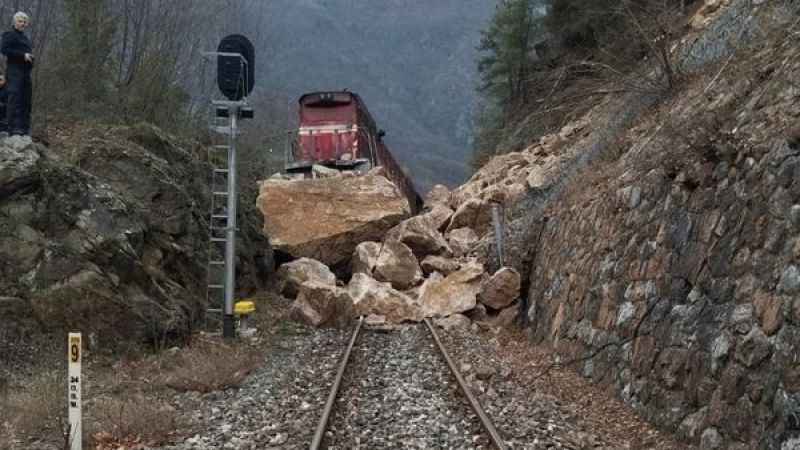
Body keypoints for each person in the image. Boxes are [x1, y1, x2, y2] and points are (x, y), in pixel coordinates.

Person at [1, 12, 33, 136]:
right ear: (15, 22)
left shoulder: (25, 38)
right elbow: (4, 50)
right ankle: (11, 127)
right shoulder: (9, 35)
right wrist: (22, 55)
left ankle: (24, 128)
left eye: (25, 22)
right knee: (14, 98)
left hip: (26, 72)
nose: (23, 24)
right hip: (14, 71)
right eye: (20, 21)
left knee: (26, 99)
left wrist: (30, 59)